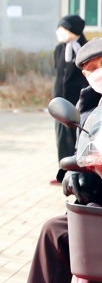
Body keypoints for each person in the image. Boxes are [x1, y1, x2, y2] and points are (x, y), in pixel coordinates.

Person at [4, 38, 102, 283]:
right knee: (55, 230)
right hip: (95, 203)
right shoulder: (90, 107)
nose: (96, 74)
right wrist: (72, 176)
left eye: (101, 66)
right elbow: (82, 149)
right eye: (90, 70)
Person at [53, 15, 88, 183]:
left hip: (79, 102)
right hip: (60, 102)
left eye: (63, 29)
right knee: (61, 139)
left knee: (78, 139)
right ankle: (62, 173)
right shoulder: (59, 50)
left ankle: (79, 174)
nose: (59, 32)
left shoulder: (86, 48)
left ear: (73, 31)